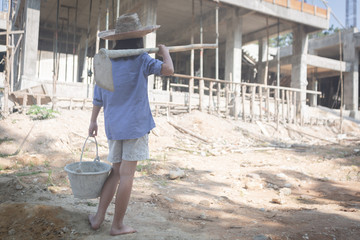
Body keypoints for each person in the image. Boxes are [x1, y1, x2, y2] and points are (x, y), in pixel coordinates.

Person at [88, 13, 174, 236]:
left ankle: (98, 218)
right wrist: (165, 52)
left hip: (114, 126)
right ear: (138, 39)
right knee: (126, 176)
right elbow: (168, 70)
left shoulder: (105, 60)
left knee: (115, 173)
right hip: (135, 125)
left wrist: (93, 120)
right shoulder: (141, 59)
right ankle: (116, 226)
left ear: (117, 39)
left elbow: (98, 96)